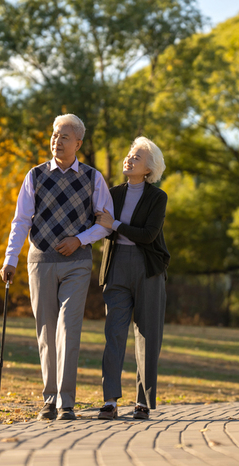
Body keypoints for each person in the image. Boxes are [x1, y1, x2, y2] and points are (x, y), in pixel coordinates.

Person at [0, 114, 113, 421]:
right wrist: (10, 260)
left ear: (78, 143)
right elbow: (21, 220)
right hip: (40, 262)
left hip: (77, 263)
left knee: (68, 329)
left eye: (64, 137)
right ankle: (49, 400)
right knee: (46, 331)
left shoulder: (92, 178)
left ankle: (66, 403)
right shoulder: (35, 175)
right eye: (53, 135)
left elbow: (106, 223)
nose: (56, 141)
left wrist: (79, 239)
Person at [93, 137, 170, 420]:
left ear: (149, 169)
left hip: (147, 268)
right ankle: (110, 400)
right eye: (129, 154)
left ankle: (143, 401)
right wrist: (109, 226)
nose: (129, 159)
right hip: (116, 266)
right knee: (114, 333)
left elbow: (148, 235)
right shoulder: (112, 194)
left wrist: (113, 224)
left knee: (147, 336)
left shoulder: (157, 198)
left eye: (136, 157)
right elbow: (101, 229)